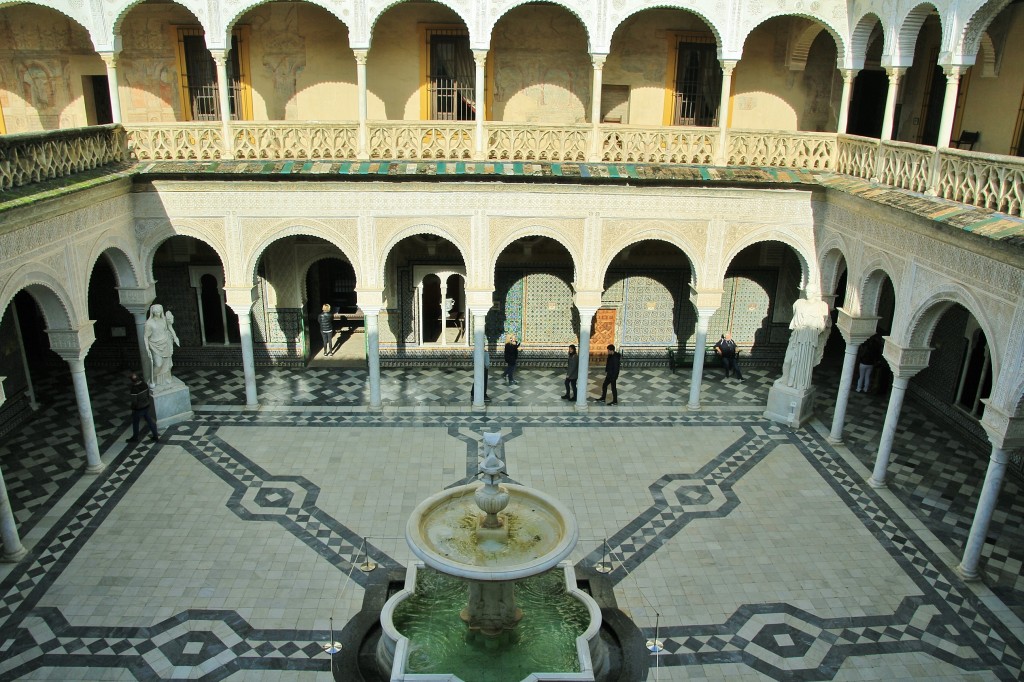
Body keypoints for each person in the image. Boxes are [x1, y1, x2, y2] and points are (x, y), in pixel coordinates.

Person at [779, 294, 831, 390]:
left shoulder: (821, 306)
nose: (808, 292)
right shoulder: (799, 303)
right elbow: (795, 314)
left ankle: (797, 382)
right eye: (807, 290)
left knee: (801, 362)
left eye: (810, 290)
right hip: (797, 334)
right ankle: (785, 378)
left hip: (809, 337)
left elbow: (823, 324)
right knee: (787, 360)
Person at [144, 303, 180, 387]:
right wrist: (147, 348)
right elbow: (146, 336)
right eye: (156, 312)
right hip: (155, 345)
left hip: (166, 343)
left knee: (167, 364)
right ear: (153, 312)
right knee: (158, 364)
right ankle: (153, 378)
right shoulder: (149, 323)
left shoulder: (163, 320)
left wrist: (175, 337)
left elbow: (170, 328)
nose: (158, 314)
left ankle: (166, 379)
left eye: (160, 312)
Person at [126, 372, 159, 443]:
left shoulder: (134, 389)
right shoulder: (144, 384)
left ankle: (135, 437)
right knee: (150, 421)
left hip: (139, 408)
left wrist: (133, 409)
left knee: (135, 422)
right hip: (146, 405)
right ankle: (155, 436)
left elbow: (134, 402)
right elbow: (147, 394)